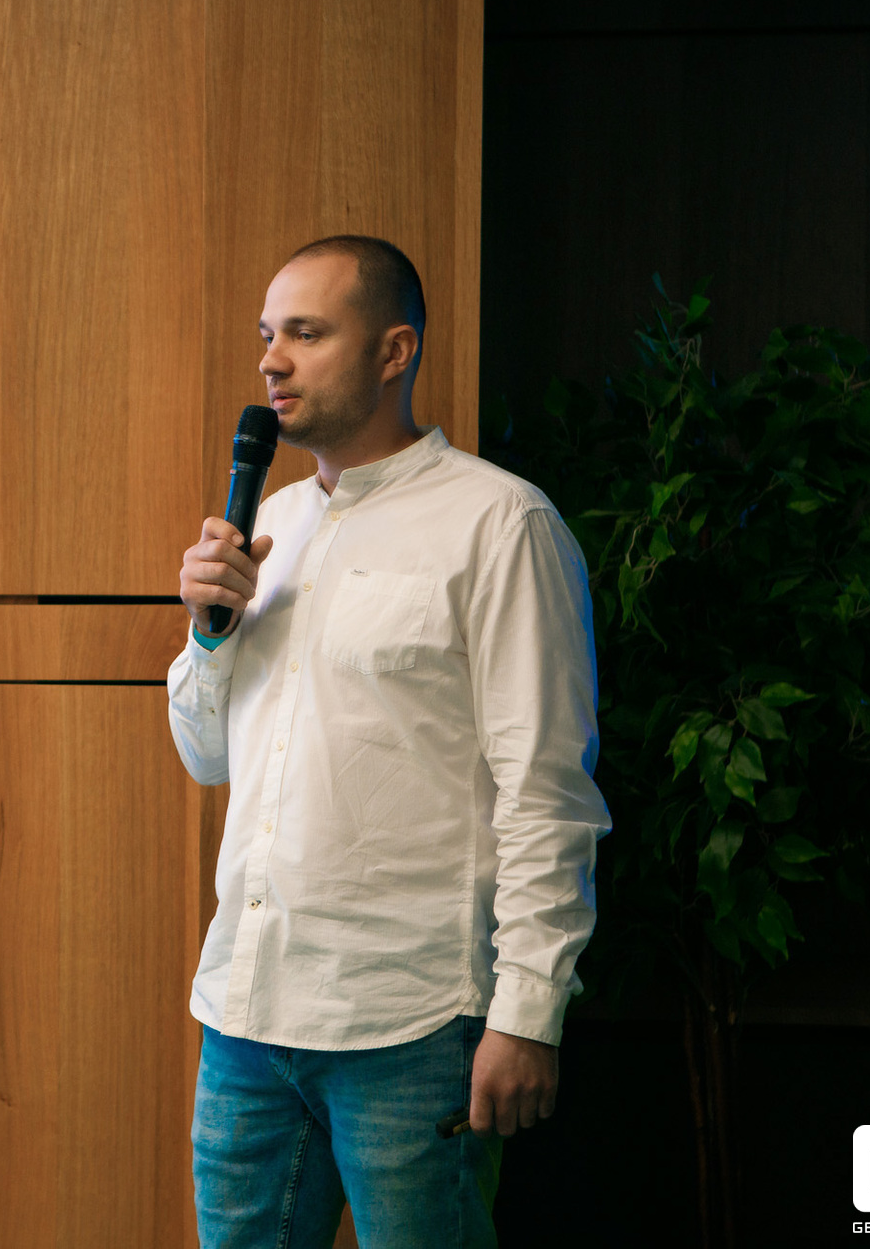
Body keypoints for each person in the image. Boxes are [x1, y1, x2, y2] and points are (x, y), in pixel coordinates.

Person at [169, 236, 610, 1246]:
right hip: (245, 1013)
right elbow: (206, 755)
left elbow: (546, 791)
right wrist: (208, 633)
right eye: (267, 335)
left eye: (306, 333)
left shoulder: (500, 524)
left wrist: (527, 1011)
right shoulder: (272, 521)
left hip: (413, 1024)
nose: (272, 360)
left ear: (393, 351)